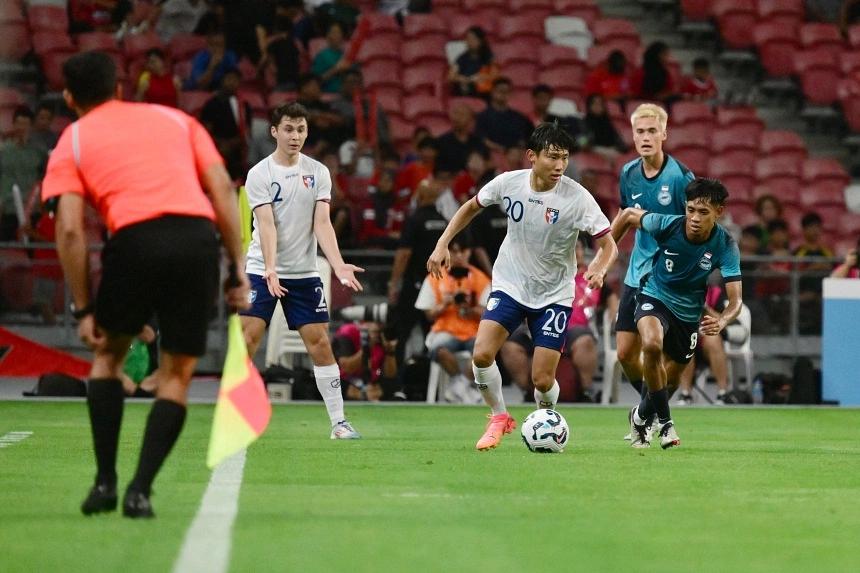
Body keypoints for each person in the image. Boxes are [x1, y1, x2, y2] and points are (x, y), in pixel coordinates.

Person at [41, 51, 249, 518]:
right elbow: (221, 189)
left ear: (69, 97)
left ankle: (105, 482)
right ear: (119, 88)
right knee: (176, 376)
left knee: (108, 358)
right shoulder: (176, 120)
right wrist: (237, 268)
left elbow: (71, 229)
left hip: (134, 240)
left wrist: (82, 308)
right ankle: (140, 491)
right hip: (196, 240)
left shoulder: (72, 139)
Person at [426, 122, 618, 450]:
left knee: (542, 380)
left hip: (555, 294)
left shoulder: (577, 197)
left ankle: (547, 416)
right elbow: (471, 207)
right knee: (482, 354)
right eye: (553, 157)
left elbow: (609, 245)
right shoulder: (508, 183)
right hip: (511, 284)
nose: (560, 166)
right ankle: (499, 416)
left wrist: (599, 269)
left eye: (565, 158)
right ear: (532, 156)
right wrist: (443, 243)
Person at [240, 101, 364, 439]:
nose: (295, 136)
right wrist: (268, 268)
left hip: (303, 273)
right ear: (275, 132)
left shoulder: (319, 172)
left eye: (301, 129)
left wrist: (338, 265)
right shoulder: (260, 174)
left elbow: (322, 223)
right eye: (289, 129)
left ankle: (339, 422)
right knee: (247, 340)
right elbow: (265, 224)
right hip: (260, 270)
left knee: (319, 343)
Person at [612, 178, 742, 448]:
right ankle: (667, 424)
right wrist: (604, 259)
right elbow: (626, 215)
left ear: (719, 211)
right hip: (654, 294)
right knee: (651, 344)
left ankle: (640, 416)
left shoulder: (725, 245)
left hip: (688, 313)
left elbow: (735, 301)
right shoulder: (667, 224)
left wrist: (722, 319)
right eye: (691, 209)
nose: (694, 217)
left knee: (671, 377)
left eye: (703, 212)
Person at [612, 103, 694, 409]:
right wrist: (604, 254)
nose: (645, 137)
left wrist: (652, 221)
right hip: (637, 272)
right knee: (624, 353)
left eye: (651, 131)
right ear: (633, 136)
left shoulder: (681, 178)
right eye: (639, 131)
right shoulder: (628, 173)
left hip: (671, 278)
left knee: (665, 355)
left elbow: (695, 230)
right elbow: (624, 216)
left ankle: (647, 413)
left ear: (664, 134)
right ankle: (651, 406)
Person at [415, 231, 491, 403]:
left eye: (462, 251)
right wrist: (445, 304)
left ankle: (459, 385)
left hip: (473, 331)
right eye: (454, 251)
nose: (458, 256)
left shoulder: (481, 278)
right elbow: (428, 314)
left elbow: (488, 314)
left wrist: (470, 308)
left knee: (486, 350)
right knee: (438, 347)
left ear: (469, 252)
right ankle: (462, 386)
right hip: (445, 330)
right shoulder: (435, 276)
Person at [0, 106, 48, 240]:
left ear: (31, 127)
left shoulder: (40, 151)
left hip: (32, 209)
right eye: (19, 123)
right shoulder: (3, 151)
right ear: (14, 124)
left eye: (25, 124)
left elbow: (45, 176)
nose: (22, 127)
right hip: (8, 209)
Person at [200, 68, 252, 180]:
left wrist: (234, 143)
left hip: (238, 148)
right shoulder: (211, 104)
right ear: (222, 80)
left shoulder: (244, 105)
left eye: (236, 79)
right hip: (217, 148)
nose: (232, 82)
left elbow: (247, 130)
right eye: (229, 79)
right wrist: (221, 145)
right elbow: (205, 132)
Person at [332, 320, 398, 401]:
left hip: (372, 385)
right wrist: (367, 346)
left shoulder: (382, 338)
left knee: (393, 388)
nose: (377, 333)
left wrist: (390, 351)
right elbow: (347, 368)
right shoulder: (349, 332)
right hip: (347, 383)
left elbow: (390, 374)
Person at [474, 77, 534, 152]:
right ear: (492, 92)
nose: (503, 94)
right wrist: (504, 150)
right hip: (493, 155)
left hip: (516, 155)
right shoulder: (482, 117)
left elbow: (525, 139)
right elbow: (483, 140)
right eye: (500, 91)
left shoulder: (518, 117)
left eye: (506, 91)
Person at [435, 103, 487, 175]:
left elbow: (488, 162)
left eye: (462, 114)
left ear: (471, 120)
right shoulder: (442, 141)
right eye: (456, 113)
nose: (457, 118)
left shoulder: (477, 142)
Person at [448, 25, 498, 98]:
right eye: (467, 39)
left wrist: (483, 77)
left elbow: (495, 74)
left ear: (480, 41)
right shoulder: (462, 57)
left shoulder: (488, 56)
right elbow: (450, 76)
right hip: (466, 85)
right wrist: (461, 78)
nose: (469, 42)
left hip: (482, 87)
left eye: (473, 39)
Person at [582, 93, 626, 160]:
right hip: (594, 150)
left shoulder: (607, 121)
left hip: (612, 149)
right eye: (594, 104)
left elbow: (617, 140)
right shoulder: (584, 122)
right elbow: (584, 142)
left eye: (600, 104)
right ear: (589, 106)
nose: (597, 106)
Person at [311, 21, 350, 94]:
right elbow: (315, 81)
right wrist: (335, 70)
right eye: (331, 32)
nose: (332, 35)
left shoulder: (347, 55)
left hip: (346, 97)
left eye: (336, 32)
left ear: (343, 36)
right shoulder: (322, 56)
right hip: (328, 95)